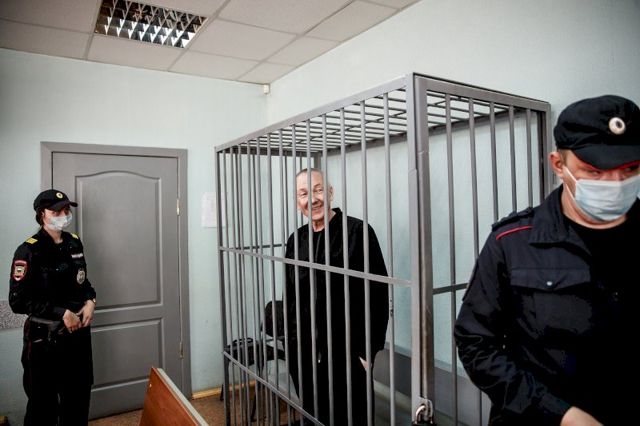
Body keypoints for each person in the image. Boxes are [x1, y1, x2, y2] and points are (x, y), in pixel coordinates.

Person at [454, 94, 640, 426]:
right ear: (558, 165)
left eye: (630, 169)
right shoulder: (512, 242)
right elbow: (475, 342)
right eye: (594, 171)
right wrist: (560, 415)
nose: (615, 184)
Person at [284, 168, 389, 425]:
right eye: (304, 194)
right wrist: (292, 345)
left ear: (330, 193)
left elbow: (378, 294)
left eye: (318, 190)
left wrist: (366, 352)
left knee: (351, 418)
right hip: (305, 352)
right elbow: (290, 297)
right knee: (314, 415)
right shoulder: (296, 240)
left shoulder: (358, 232)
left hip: (348, 352)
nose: (312, 199)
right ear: (297, 202)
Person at [9, 189, 97, 426]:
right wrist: (61, 313)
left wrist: (91, 301)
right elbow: (18, 301)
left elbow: (83, 282)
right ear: (42, 215)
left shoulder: (74, 242)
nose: (63, 215)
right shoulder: (29, 250)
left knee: (78, 400)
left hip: (77, 336)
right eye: (55, 211)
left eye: (66, 210)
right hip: (45, 339)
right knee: (42, 407)